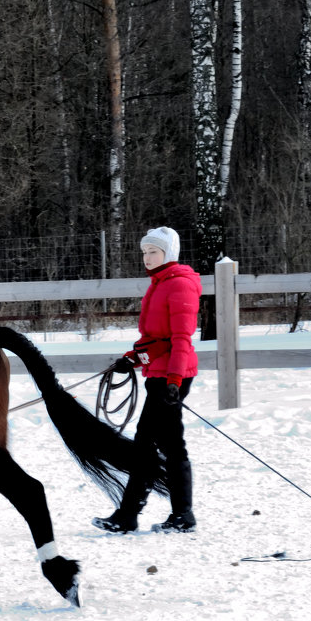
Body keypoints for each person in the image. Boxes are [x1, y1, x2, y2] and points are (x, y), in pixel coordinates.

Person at [92, 226, 202, 534]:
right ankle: (178, 515)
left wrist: (175, 381)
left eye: (153, 252)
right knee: (165, 445)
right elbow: (156, 339)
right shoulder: (160, 283)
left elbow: (180, 338)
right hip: (159, 374)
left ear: (168, 253)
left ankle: (134, 515)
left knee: (150, 446)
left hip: (170, 377)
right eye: (144, 252)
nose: (147, 257)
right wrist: (132, 358)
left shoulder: (178, 285)